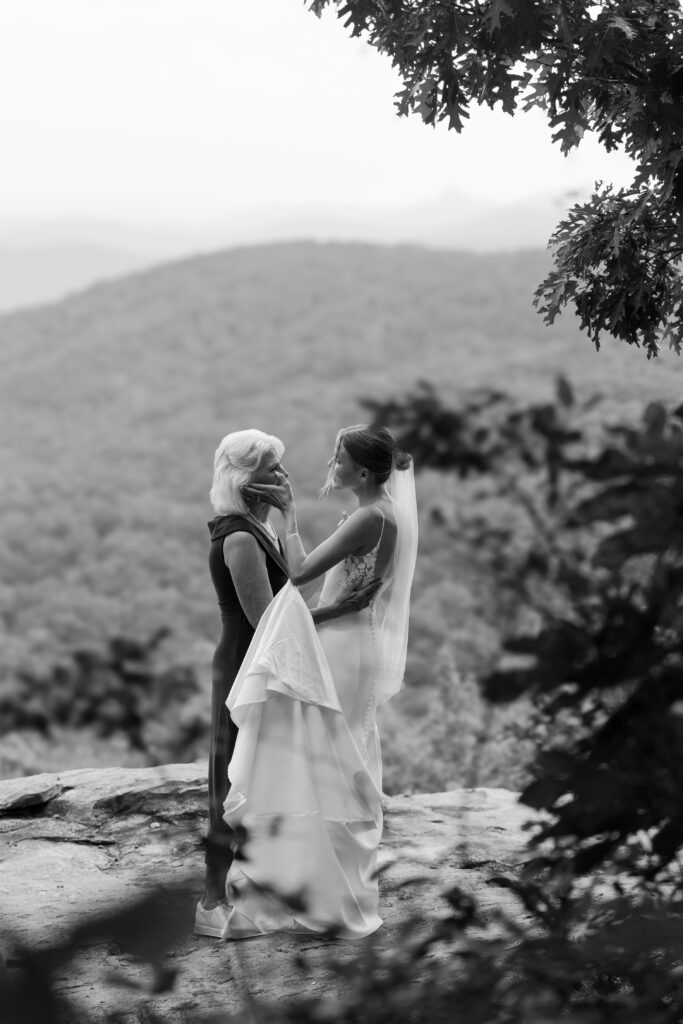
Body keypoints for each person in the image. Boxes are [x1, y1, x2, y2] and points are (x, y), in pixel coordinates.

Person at [220, 424, 418, 940]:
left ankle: (328, 894)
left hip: (344, 649)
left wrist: (288, 514)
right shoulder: (382, 514)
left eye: (340, 455)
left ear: (366, 472)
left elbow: (301, 570)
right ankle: (333, 888)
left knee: (330, 758)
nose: (332, 462)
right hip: (355, 642)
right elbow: (353, 598)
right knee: (342, 756)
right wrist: (326, 615)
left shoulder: (370, 517)